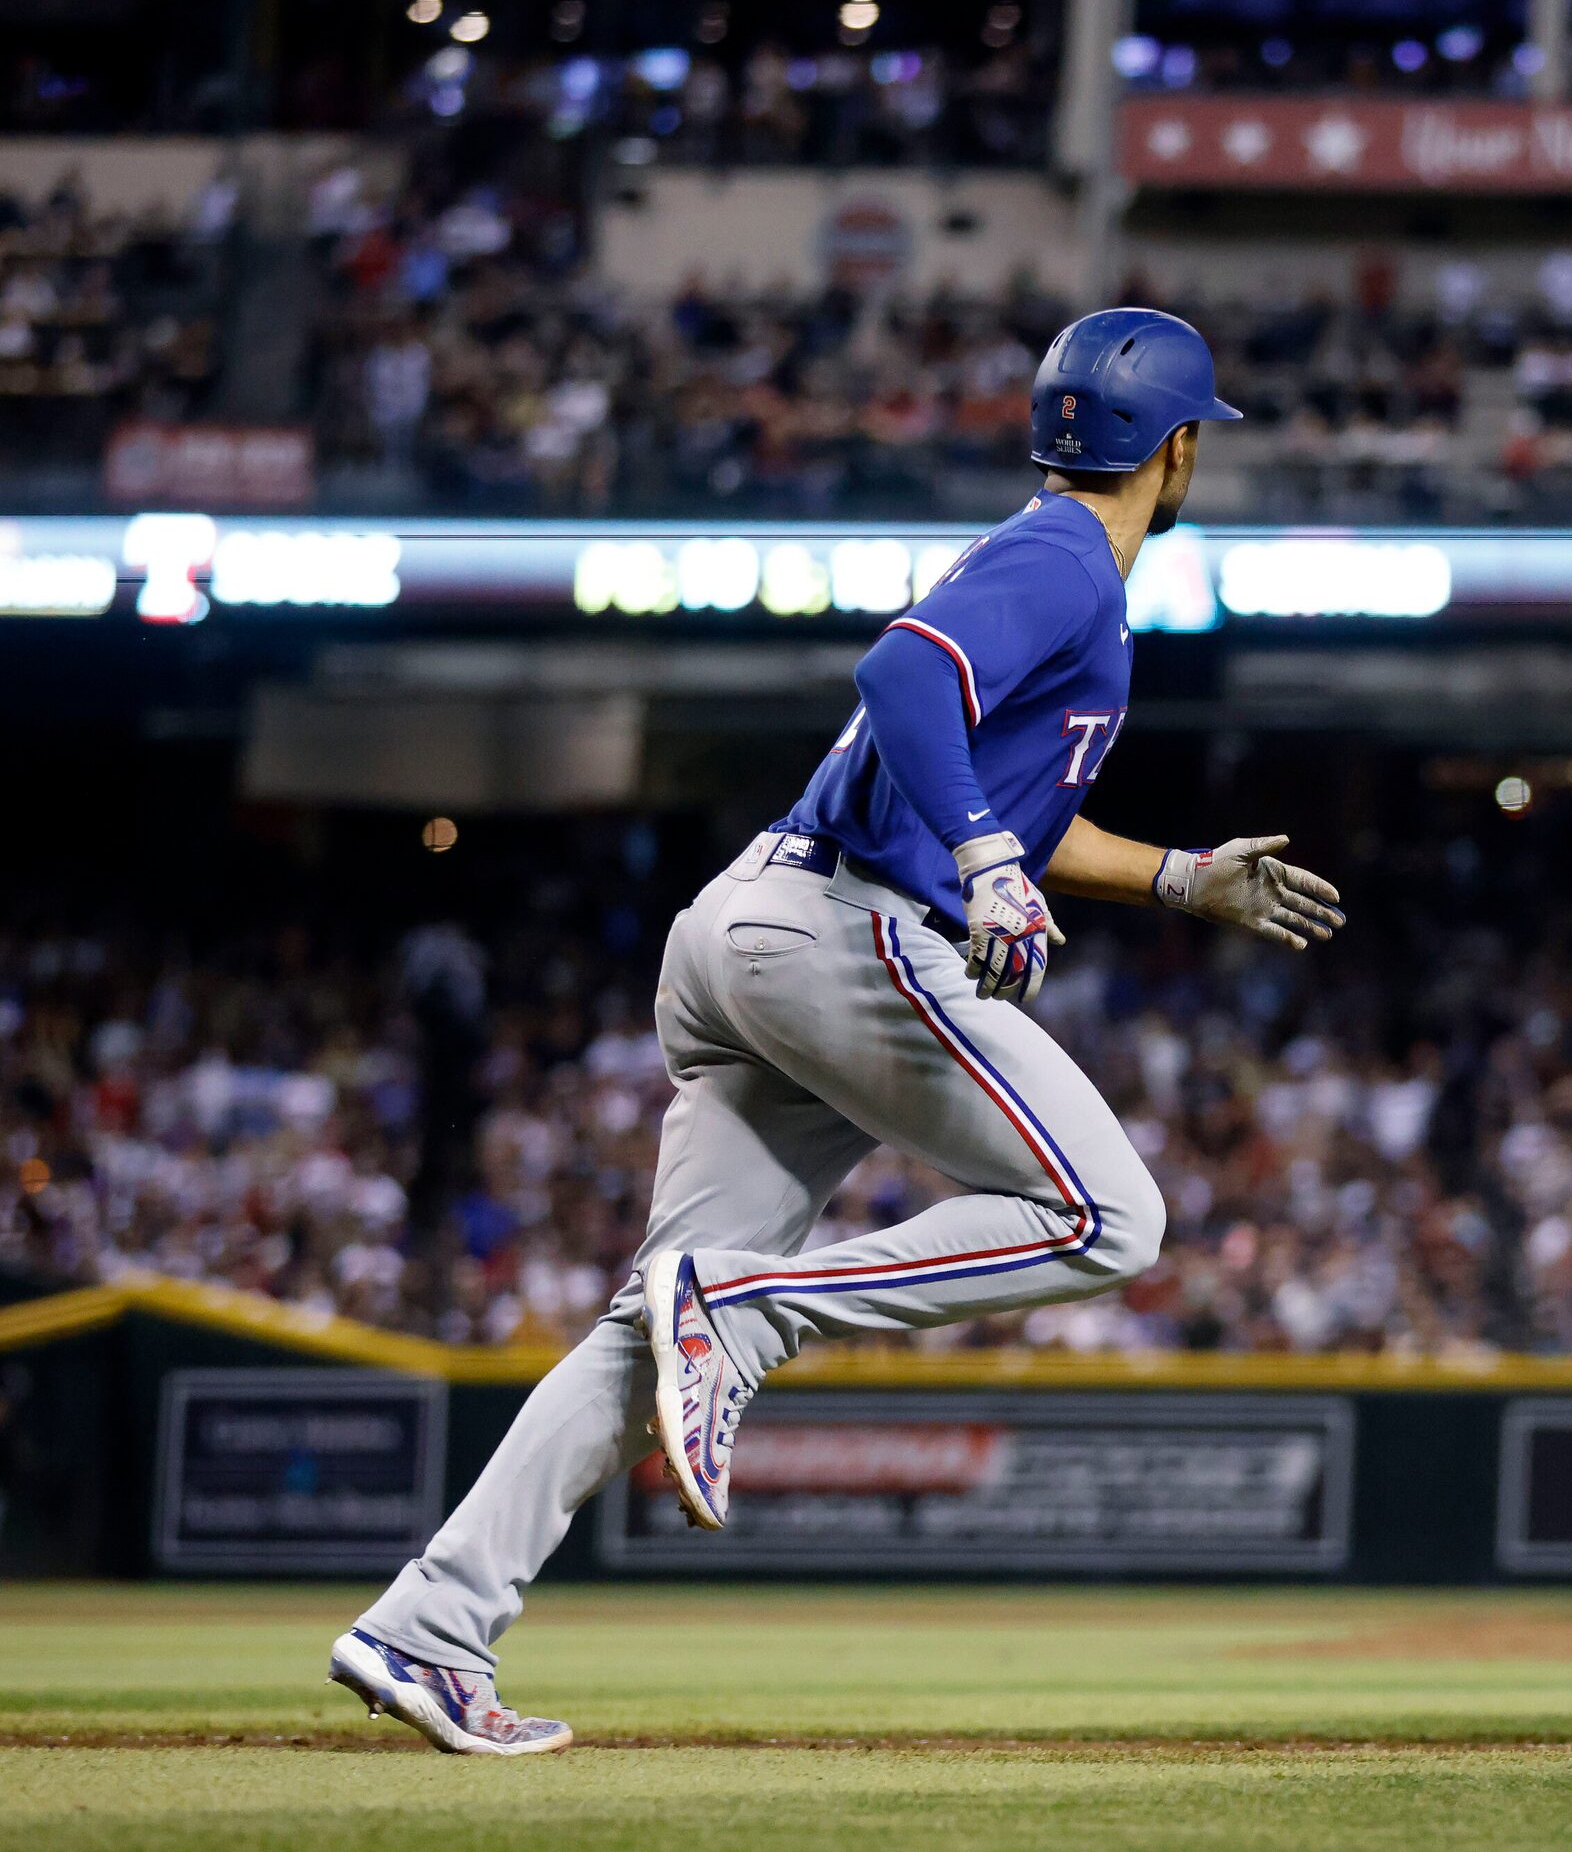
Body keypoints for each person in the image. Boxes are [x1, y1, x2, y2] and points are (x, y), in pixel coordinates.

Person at [325, 309, 1346, 1754]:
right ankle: (749, 1307)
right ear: (1173, 446)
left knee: (645, 1325)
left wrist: (1172, 875)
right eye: (1200, 439)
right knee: (1109, 1213)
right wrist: (986, 853)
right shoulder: (1064, 556)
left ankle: (427, 1625)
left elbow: (1003, 787)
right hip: (840, 933)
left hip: (756, 932)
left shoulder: (1049, 560)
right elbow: (902, 678)